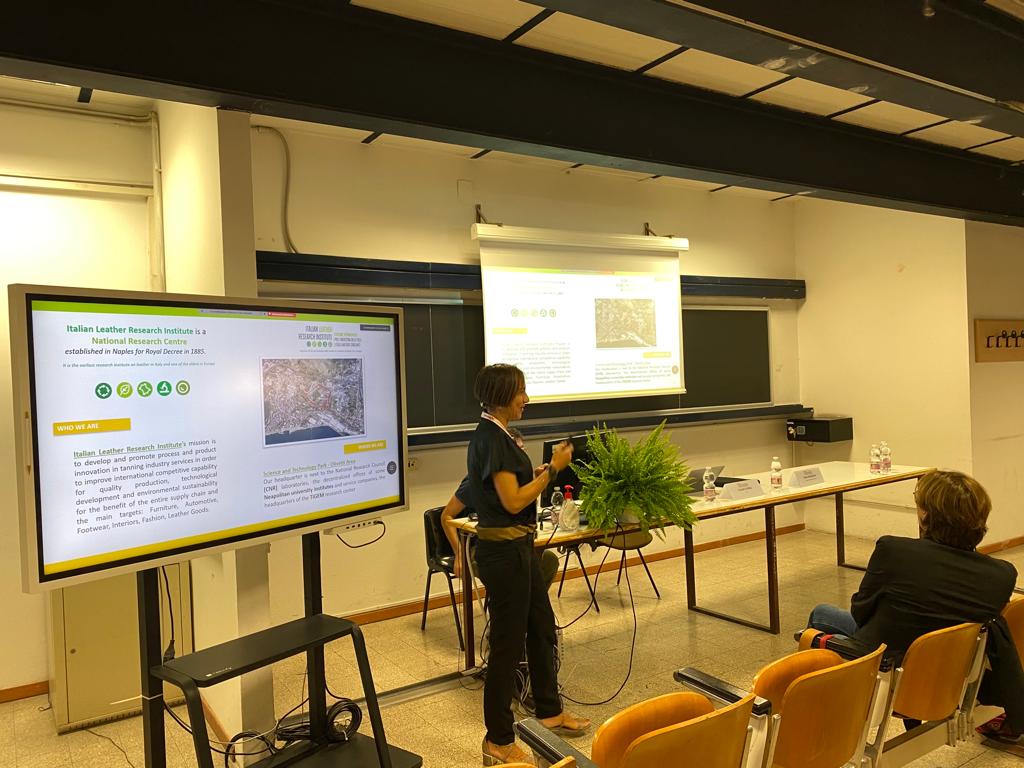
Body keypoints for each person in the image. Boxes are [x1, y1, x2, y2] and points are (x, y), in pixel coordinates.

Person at [806, 469, 1023, 736]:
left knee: (820, 616)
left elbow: (861, 612)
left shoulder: (894, 551)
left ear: (926, 515)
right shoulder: (1002, 575)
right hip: (946, 675)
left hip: (889, 667)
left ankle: (817, 719)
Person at [466, 363, 590, 766]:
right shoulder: (490, 438)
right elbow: (514, 500)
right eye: (521, 391)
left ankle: (549, 712)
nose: (527, 398)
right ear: (503, 395)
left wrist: (535, 474)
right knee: (507, 646)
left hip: (521, 549)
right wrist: (552, 469)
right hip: (504, 555)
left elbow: (511, 489)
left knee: (541, 627)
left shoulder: (501, 435)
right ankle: (498, 739)